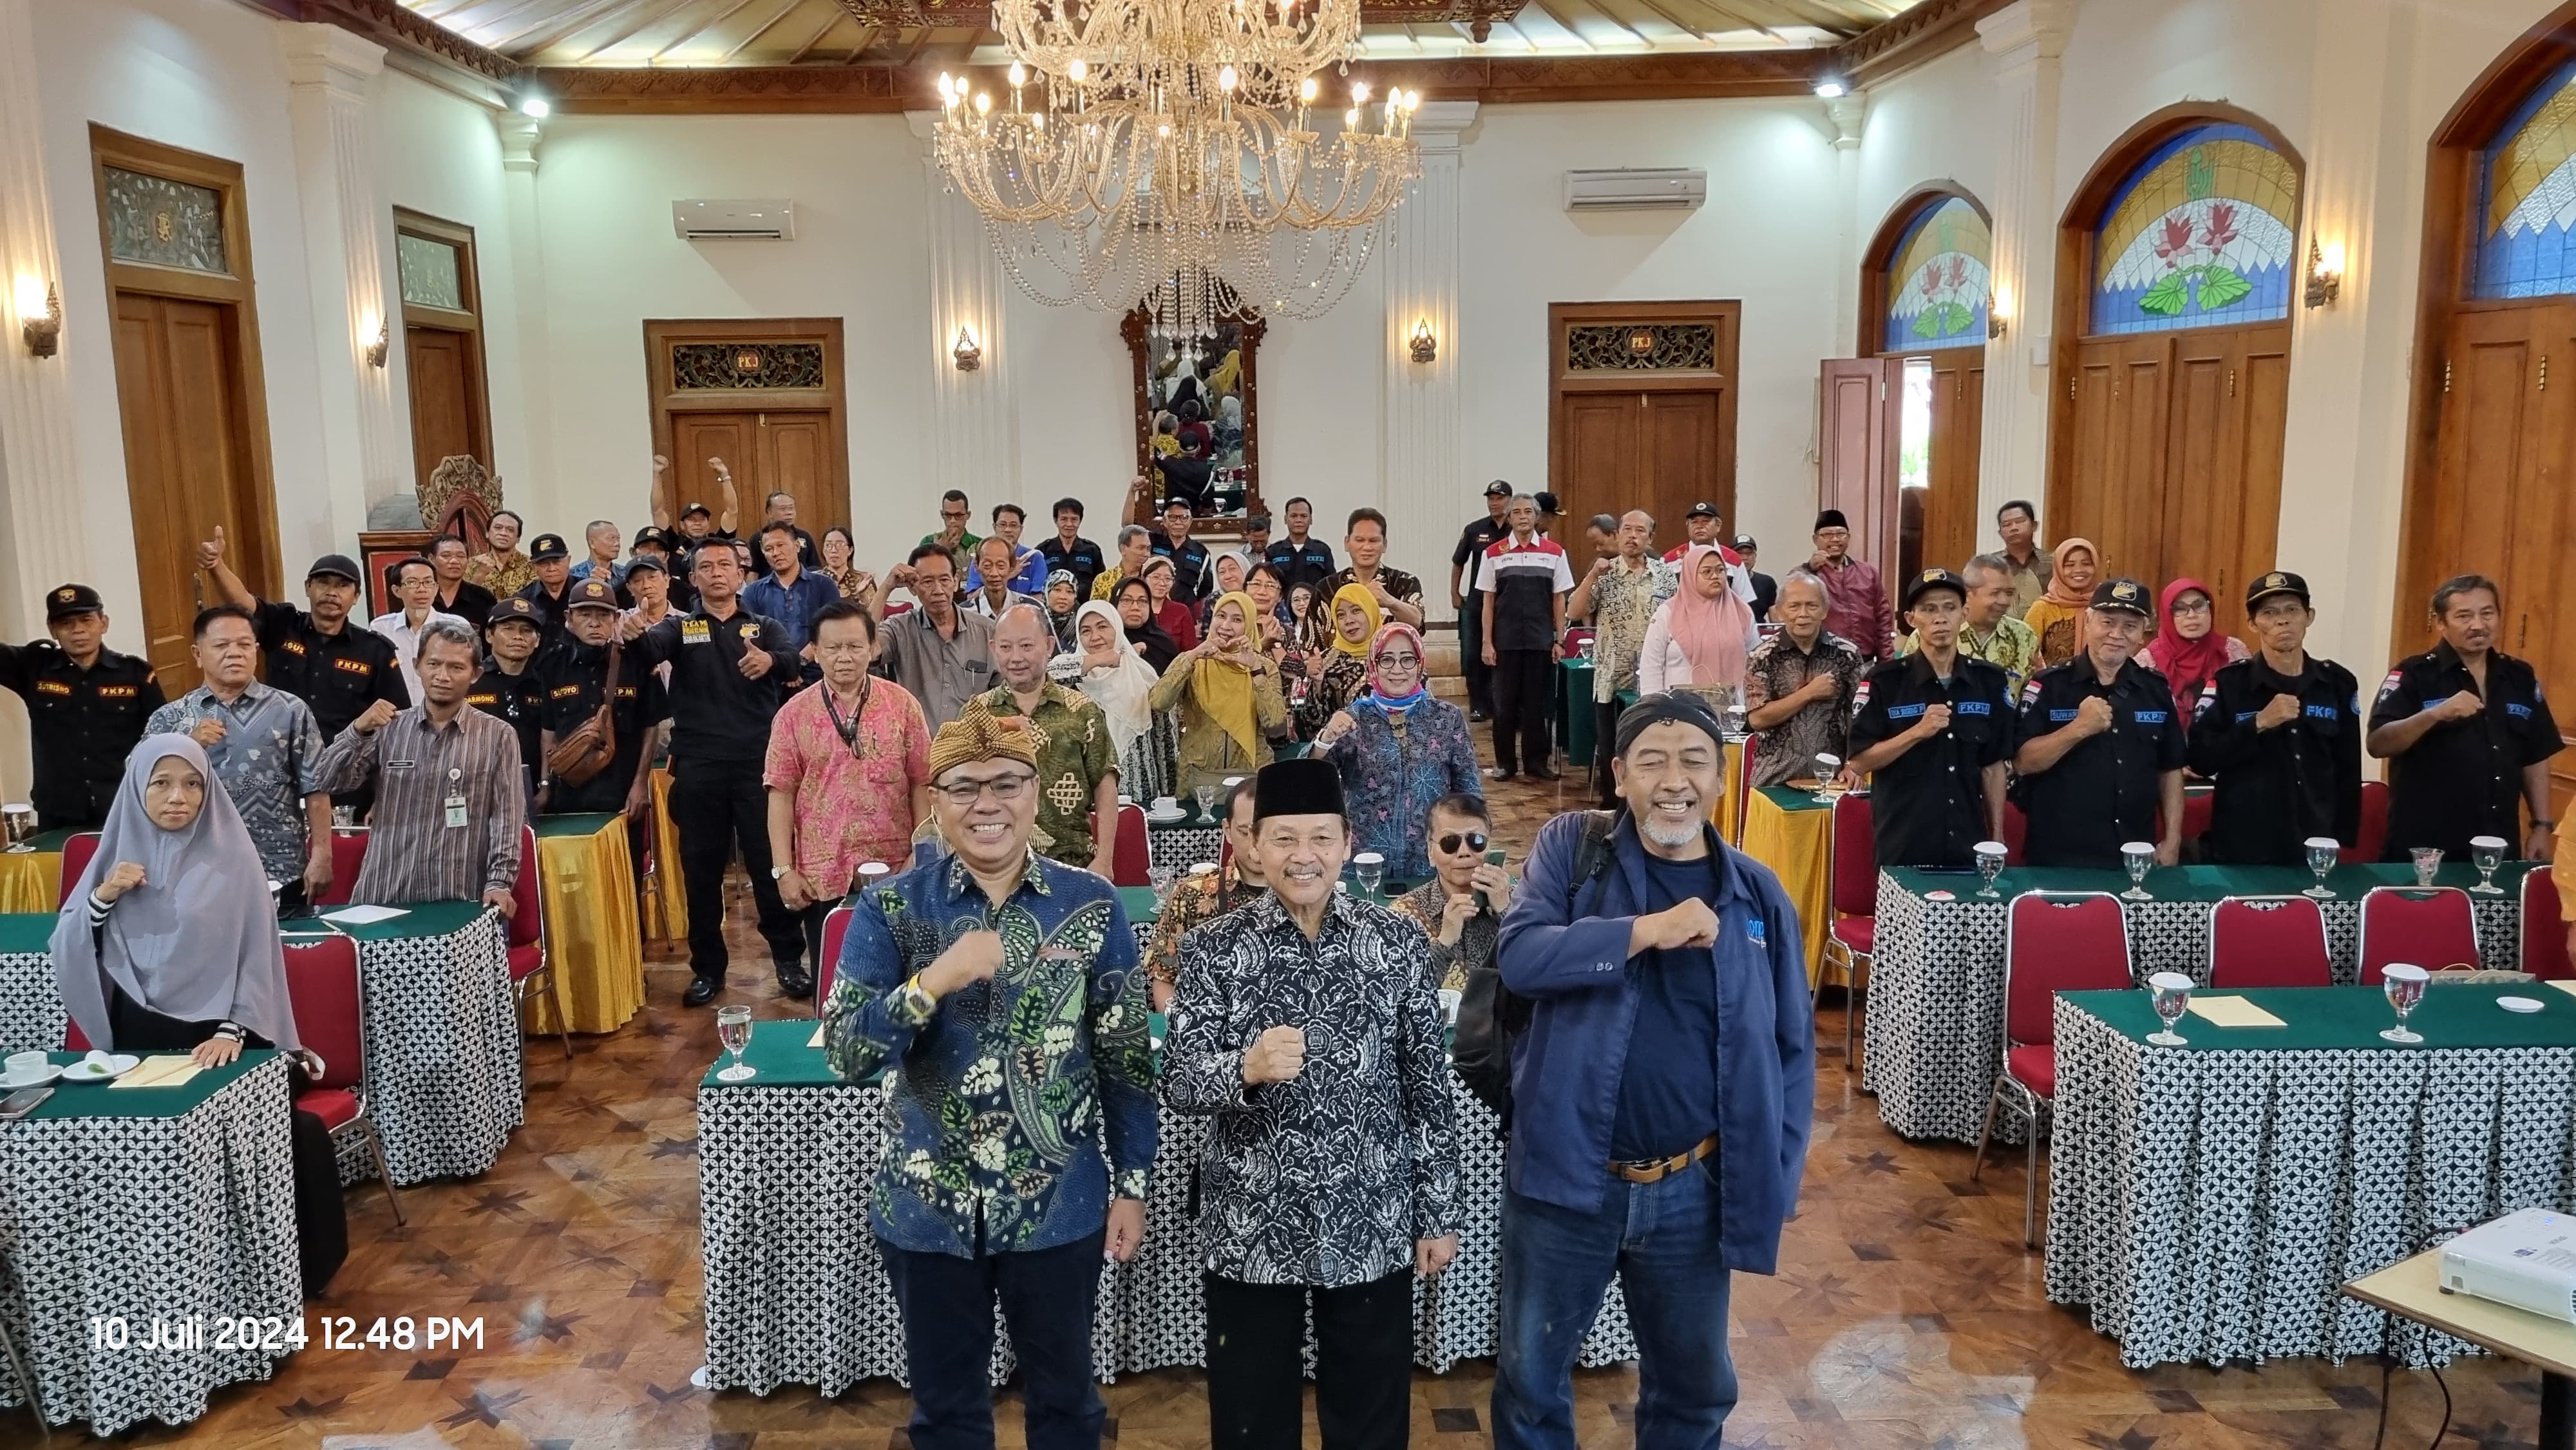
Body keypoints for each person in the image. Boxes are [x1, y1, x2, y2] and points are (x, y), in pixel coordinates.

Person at [818, 710, 1154, 1450]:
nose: (987, 803)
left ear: (1036, 793)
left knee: (1067, 1406)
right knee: (946, 1415)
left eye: (1007, 783)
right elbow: (844, 1052)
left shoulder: (1091, 905)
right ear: (934, 801)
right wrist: (931, 980)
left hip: (1060, 1204)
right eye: (963, 787)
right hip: (928, 1208)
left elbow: (1127, 1060)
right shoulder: (892, 907)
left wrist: (1131, 1184)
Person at [1491, 692, 1814, 1450]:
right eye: (1652, 761)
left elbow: (1790, 1047)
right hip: (1566, 1180)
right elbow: (1522, 956)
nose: (1675, 779)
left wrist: (1778, 1167)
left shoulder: (1757, 892)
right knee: (1531, 1382)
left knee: (1695, 1391)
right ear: (1619, 775)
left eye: (1694, 760)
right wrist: (1645, 931)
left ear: (1723, 775)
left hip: (1693, 1190)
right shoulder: (1573, 848)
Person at [1163, 755, 1459, 1450]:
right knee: (1251, 1416)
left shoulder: (1394, 943)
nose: (1304, 856)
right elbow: (1178, 1078)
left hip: (1371, 1215)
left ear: (1348, 841)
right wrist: (1245, 1066)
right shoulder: (1212, 948)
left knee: (1370, 1417)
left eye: (1321, 837)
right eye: (1285, 837)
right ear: (1254, 845)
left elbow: (1427, 1089)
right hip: (1250, 1225)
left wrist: (1437, 1212)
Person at [52, 734, 348, 1294]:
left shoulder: (232, 858)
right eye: (161, 783)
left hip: (230, 1035)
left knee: (249, 1130)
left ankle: (263, 1274)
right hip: (142, 1036)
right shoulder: (115, 858)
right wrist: (102, 898)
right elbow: (69, 946)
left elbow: (257, 959)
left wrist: (233, 1027)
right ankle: (157, 1272)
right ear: (137, 789)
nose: (177, 797)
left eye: (191, 783)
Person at [623, 543, 807, 1004]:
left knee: (770, 868)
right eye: (705, 567)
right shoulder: (680, 628)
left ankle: (787, 960)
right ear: (694, 578)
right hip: (700, 767)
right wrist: (632, 632)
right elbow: (647, 649)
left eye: (725, 564)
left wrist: (769, 661)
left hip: (757, 767)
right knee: (700, 873)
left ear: (740, 573)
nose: (716, 573)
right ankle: (707, 970)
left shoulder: (763, 626)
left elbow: (793, 658)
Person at [766, 599, 933, 979]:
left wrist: (918, 856)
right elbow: (780, 794)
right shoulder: (793, 714)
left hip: (897, 868)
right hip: (822, 874)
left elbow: (922, 782)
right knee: (833, 981)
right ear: (816, 652)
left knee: (904, 980)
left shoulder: (903, 705)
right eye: (833, 648)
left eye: (855, 646)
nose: (845, 657)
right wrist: (783, 870)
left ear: (872, 649)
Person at [310, 620, 526, 911]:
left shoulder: (498, 735)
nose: (443, 676)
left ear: (475, 674)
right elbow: (326, 780)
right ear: (417, 665)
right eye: (434, 664)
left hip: (459, 895)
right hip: (385, 893)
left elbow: (506, 818)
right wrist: (357, 731)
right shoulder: (387, 727)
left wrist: (500, 882)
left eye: (456, 667)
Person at [144, 608, 333, 910]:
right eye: (221, 646)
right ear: (197, 654)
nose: (235, 654)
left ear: (257, 651)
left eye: (244, 645)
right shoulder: (170, 718)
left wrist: (322, 854)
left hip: (280, 869)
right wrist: (187, 745)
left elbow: (317, 786)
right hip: (192, 871)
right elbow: (138, 784)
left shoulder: (290, 710)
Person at [2368, 573, 2561, 863]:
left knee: (2496, 908)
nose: (2478, 625)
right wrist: (2433, 715)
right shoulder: (2413, 674)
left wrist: (2542, 826)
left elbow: (2535, 755)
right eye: (2464, 616)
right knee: (2424, 910)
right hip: (2426, 845)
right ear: (2441, 623)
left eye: (2487, 614)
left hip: (2497, 843)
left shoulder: (2519, 676)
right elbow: (2379, 743)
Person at [2188, 572, 2363, 866]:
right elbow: (2201, 757)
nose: (2282, 621)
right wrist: (2258, 724)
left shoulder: (2337, 683)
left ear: (2309, 617)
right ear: (2252, 624)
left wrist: (2341, 838)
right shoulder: (2229, 684)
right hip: (2244, 843)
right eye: (2269, 613)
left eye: (2292, 610)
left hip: (2315, 841)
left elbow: (2348, 765)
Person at [2012, 579, 2188, 869]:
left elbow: (2170, 770)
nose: (2116, 634)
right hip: (2061, 852)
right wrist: (2077, 729)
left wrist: (2172, 840)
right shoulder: (2050, 686)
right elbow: (2023, 762)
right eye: (2107, 622)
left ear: (2142, 635)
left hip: (2135, 852)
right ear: (2089, 622)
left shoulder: (2155, 690)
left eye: (2130, 626)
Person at [1846, 570, 2014, 867]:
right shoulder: (1886, 681)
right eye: (1929, 609)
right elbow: (1860, 762)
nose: (1940, 618)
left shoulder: (1989, 680)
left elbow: (1993, 765)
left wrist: (1997, 836)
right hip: (1904, 841)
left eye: (1949, 608)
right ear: (1911, 619)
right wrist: (1916, 733)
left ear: (1963, 614)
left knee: (1967, 915)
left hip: (1968, 841)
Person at [196, 530, 408, 746]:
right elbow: (243, 602)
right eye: (323, 582)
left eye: (342, 586)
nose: (331, 592)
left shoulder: (375, 650)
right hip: (278, 750)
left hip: (342, 756)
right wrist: (216, 566)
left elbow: (397, 715)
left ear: (356, 597)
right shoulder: (283, 625)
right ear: (308, 588)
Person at [1313, 623, 1479, 884]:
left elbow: (1469, 793)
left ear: (1420, 665)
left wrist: (1466, 848)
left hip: (1430, 865)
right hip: (1364, 866)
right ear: (1374, 666)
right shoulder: (1353, 718)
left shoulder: (1446, 718)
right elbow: (1307, 776)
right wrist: (1326, 739)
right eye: (1387, 659)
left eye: (1407, 659)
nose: (1397, 669)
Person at [966, 605, 1121, 875]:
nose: (1016, 658)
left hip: (1072, 864)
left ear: (1049, 646)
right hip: (995, 867)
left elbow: (1105, 785)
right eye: (1005, 648)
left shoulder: (1082, 710)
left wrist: (1106, 859)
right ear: (993, 648)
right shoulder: (977, 712)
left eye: (1027, 646)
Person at [0, 583, 166, 831]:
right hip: (58, 809)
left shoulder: (135, 674)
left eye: (86, 620)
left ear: (104, 623)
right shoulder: (34, 667)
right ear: (53, 630)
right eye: (66, 624)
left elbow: (162, 734)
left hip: (122, 804)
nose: (78, 630)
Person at [1569, 513, 1674, 807]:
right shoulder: (1604, 571)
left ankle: (1648, 803)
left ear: (1650, 539)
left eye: (1640, 531)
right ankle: (1613, 809)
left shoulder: (1664, 575)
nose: (1632, 535)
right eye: (1627, 529)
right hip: (1612, 680)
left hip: (1654, 681)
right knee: (1613, 749)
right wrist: (1592, 577)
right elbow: (1574, 612)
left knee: (1650, 747)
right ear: (1617, 534)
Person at [538, 579, 665, 818]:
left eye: (604, 616)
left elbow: (651, 727)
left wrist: (640, 784)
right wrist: (545, 787)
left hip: (622, 793)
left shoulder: (637, 662)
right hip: (569, 793)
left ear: (617, 619)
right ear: (569, 617)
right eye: (585, 614)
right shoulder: (552, 665)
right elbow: (548, 732)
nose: (594, 623)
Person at [1141, 775, 1265, 1008]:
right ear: (1227, 831)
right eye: (1244, 832)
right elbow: (1165, 978)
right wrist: (1180, 1031)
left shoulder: (1302, 897)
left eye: (1265, 831)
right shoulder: (1191, 894)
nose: (1255, 845)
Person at [1477, 494, 1575, 782]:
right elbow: (1488, 601)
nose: (1523, 517)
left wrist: (1559, 639)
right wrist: (1486, 642)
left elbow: (1560, 600)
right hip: (1504, 641)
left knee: (1536, 705)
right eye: (1517, 512)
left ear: (1537, 517)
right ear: (1509, 518)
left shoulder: (1555, 552)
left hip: (1540, 640)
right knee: (1504, 705)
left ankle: (1536, 762)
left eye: (1528, 512)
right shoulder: (1493, 553)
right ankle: (1505, 764)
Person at [1152, 592, 1287, 795]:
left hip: (1251, 780)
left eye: (1237, 620)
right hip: (1199, 780)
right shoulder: (1193, 662)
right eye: (1221, 616)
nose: (1225, 626)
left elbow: (1276, 726)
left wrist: (1255, 670)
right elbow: (1159, 702)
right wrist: (1191, 658)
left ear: (1249, 626)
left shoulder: (1264, 667)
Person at [1739, 570, 1864, 788]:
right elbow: (1757, 719)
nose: (1803, 614)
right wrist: (1809, 693)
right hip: (1774, 777)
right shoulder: (1762, 656)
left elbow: (1855, 714)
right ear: (1780, 611)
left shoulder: (1847, 654)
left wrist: (1853, 763)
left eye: (1812, 606)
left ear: (1825, 610)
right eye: (1794, 606)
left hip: (1833, 777)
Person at [1390, 793, 1515, 991]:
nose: (1464, 852)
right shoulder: (1405, 913)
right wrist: (1444, 941)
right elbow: (1398, 991)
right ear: (1431, 852)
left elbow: (1540, 970)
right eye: (1450, 842)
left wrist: (1507, 913)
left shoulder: (1520, 900)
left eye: (1476, 841)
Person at [875, 543, 999, 732]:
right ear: (913, 587)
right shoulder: (899, 629)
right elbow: (863, 647)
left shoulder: (987, 631)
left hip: (973, 751)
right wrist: (886, 588)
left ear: (956, 581)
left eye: (944, 580)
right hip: (917, 750)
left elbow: (1004, 695)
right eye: (927, 582)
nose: (938, 589)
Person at [1068, 599, 1179, 808]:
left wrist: (1169, 797)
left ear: (1117, 628)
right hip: (1087, 798)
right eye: (1086, 631)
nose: (1095, 637)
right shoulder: (1072, 683)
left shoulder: (1143, 675)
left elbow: (1164, 740)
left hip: (1142, 791)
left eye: (1103, 626)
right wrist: (1098, 660)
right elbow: (1043, 676)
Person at [1902, 554, 2040, 697]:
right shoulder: (1928, 635)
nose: (2004, 601)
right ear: (1968, 594)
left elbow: (2036, 693)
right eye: (1995, 593)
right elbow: (1906, 688)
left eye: (2009, 593)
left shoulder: (2024, 635)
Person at [1638, 543, 1755, 711]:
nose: (1715, 576)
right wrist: (1655, 709)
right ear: (1690, 575)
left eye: (1720, 570)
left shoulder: (1742, 613)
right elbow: (1651, 666)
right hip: (1678, 713)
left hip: (1732, 712)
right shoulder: (1668, 614)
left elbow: (1756, 663)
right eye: (1707, 572)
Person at [468, 597, 549, 798]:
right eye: (509, 628)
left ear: (537, 640)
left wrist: (545, 786)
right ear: (489, 635)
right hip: (479, 790)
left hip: (535, 792)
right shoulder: (470, 680)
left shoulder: (545, 683)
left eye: (526, 630)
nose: (518, 637)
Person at [742, 522, 842, 684]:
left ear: (797, 546)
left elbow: (831, 631)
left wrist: (796, 664)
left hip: (817, 675)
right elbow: (752, 636)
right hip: (770, 677)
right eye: (769, 549)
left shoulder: (824, 585)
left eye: (781, 545)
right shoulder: (753, 592)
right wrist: (781, 666)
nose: (776, 553)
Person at [1452, 481, 1514, 722]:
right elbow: (1459, 562)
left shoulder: (1516, 532)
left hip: (1507, 604)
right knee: (1473, 655)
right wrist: (1454, 593)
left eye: (1499, 498)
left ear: (1509, 499)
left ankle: (1503, 706)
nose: (1494, 503)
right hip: (1477, 603)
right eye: (1491, 498)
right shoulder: (1474, 530)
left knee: (1504, 655)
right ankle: (1478, 705)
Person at [369, 556, 469, 704]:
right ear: (396, 590)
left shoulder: (457, 625)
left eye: (428, 582)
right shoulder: (381, 628)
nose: (422, 589)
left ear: (436, 589)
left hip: (445, 714)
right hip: (396, 717)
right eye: (412, 583)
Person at [2142, 577, 2249, 713]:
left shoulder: (2233, 651)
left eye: (2199, 606)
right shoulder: (2148, 661)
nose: (2192, 615)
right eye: (2180, 609)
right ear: (2167, 615)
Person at [1294, 583, 1384, 739]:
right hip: (1344, 754)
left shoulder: (1394, 652)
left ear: (1371, 611)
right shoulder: (1326, 660)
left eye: (1356, 611)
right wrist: (1318, 684)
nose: (1348, 620)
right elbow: (1312, 725)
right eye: (1341, 615)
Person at [1316, 508, 1425, 632]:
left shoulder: (1405, 582)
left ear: (1385, 544)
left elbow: (1418, 623)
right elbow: (1312, 644)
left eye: (1374, 541)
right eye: (1360, 540)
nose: (1367, 547)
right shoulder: (1326, 588)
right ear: (1347, 543)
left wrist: (1390, 602)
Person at [1806, 509, 1891, 662]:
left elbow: (1883, 618)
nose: (1835, 540)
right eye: (1827, 535)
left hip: (1865, 660)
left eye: (1840, 534)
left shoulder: (1868, 572)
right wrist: (1810, 569)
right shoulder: (1808, 574)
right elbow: (1791, 602)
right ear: (1815, 539)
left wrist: (1887, 662)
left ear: (1849, 537)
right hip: (1824, 662)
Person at [1659, 502, 1757, 607]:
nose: (1700, 526)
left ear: (1718, 526)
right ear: (1687, 527)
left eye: (1706, 522)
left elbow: (1743, 602)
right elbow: (1661, 600)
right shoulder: (1670, 560)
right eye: (1694, 522)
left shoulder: (1733, 560)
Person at [2022, 537, 2099, 668]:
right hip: (2053, 684)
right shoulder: (2044, 607)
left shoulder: (2104, 605)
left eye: (2086, 564)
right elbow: (2025, 653)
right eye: (2069, 565)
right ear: (2057, 568)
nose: (2079, 570)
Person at [969, 503, 1052, 598]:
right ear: (994, 527)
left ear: (1021, 529)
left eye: (1013, 525)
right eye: (1003, 525)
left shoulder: (1035, 557)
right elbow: (971, 598)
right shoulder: (981, 558)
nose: (1008, 530)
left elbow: (1039, 598)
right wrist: (1006, 577)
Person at [517, 532, 578, 655]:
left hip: (580, 667)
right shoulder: (523, 599)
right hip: (537, 669)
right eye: (544, 564)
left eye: (557, 562)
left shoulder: (583, 592)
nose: (551, 568)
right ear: (534, 567)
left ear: (569, 560)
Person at [1263, 497, 1336, 596]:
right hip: (1283, 608)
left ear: (1311, 519)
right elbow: (1268, 585)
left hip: (1314, 608)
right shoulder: (1273, 552)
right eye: (1294, 516)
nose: (1299, 520)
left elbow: (1331, 585)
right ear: (1286, 519)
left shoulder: (1322, 550)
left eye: (1304, 516)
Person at [1039, 497, 1107, 599]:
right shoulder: (1043, 550)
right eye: (1064, 519)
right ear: (1055, 520)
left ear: (1080, 521)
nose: (1069, 524)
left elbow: (1101, 583)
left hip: (1084, 609)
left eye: (1074, 519)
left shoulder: (1092, 550)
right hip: (1052, 610)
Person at [425, 534, 497, 631]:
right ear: (432, 559)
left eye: (461, 556)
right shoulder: (422, 595)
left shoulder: (483, 598)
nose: (454, 561)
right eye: (446, 556)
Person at [1153, 496, 1215, 606]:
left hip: (1187, 614)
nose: (1178, 522)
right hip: (1155, 611)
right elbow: (1128, 526)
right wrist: (1133, 492)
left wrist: (1201, 619)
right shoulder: (1153, 544)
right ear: (1164, 521)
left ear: (1190, 521)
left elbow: (1205, 592)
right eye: (1172, 517)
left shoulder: (1201, 552)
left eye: (1184, 517)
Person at [1995, 499, 2050, 621]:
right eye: (2007, 525)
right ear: (2000, 533)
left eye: (2020, 522)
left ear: (2034, 526)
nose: (2014, 528)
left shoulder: (2052, 562)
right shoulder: (1991, 564)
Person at [965, 536, 1041, 623]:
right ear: (976, 567)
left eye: (1001, 566)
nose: (994, 573)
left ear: (1012, 568)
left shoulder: (1032, 609)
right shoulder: (964, 614)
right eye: (987, 566)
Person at [1113, 576, 1180, 674]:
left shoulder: (1164, 644)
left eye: (1142, 601)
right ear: (1115, 604)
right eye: (1127, 600)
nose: (1135, 607)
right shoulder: (1105, 642)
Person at [466, 509, 536, 598]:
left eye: (510, 530)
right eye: (498, 528)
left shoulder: (531, 565)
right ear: (487, 533)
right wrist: (479, 574)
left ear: (518, 538)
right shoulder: (471, 564)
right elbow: (465, 602)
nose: (503, 533)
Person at [1139, 554, 1201, 653]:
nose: (1162, 583)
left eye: (1167, 579)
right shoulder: (1136, 609)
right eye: (1156, 577)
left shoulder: (1181, 611)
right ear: (1144, 579)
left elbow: (1190, 650)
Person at [753, 491, 822, 576]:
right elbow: (753, 572)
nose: (789, 513)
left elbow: (815, 567)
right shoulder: (758, 538)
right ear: (770, 512)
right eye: (783, 509)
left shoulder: (804, 536)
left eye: (791, 508)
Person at [820, 526, 878, 612]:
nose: (833, 550)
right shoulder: (815, 579)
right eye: (828, 545)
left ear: (850, 550)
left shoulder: (863, 579)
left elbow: (876, 616)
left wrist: (862, 595)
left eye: (840, 545)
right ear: (823, 550)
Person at [1091, 524, 1155, 602]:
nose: (1147, 554)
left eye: (1148, 549)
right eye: (1140, 548)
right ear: (1123, 549)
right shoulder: (1103, 580)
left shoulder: (1155, 579)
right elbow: (1094, 611)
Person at [567, 519, 628, 592]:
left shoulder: (625, 574)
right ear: (592, 543)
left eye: (618, 538)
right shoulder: (573, 576)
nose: (617, 543)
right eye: (611, 538)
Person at [922, 487, 981, 558]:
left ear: (968, 515)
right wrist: (939, 550)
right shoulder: (928, 542)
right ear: (942, 514)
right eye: (948, 515)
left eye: (958, 515)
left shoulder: (980, 545)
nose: (953, 521)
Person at [1734, 535, 1777, 623]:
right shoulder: (1724, 582)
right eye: (1740, 553)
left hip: (1759, 632)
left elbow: (1773, 612)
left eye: (1749, 553)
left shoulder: (1767, 583)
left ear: (1755, 556)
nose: (1744, 558)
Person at [1041, 569, 1084, 655]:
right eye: (1057, 590)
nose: (1063, 597)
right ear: (1046, 591)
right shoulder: (1035, 621)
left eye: (1069, 592)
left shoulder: (1082, 623)